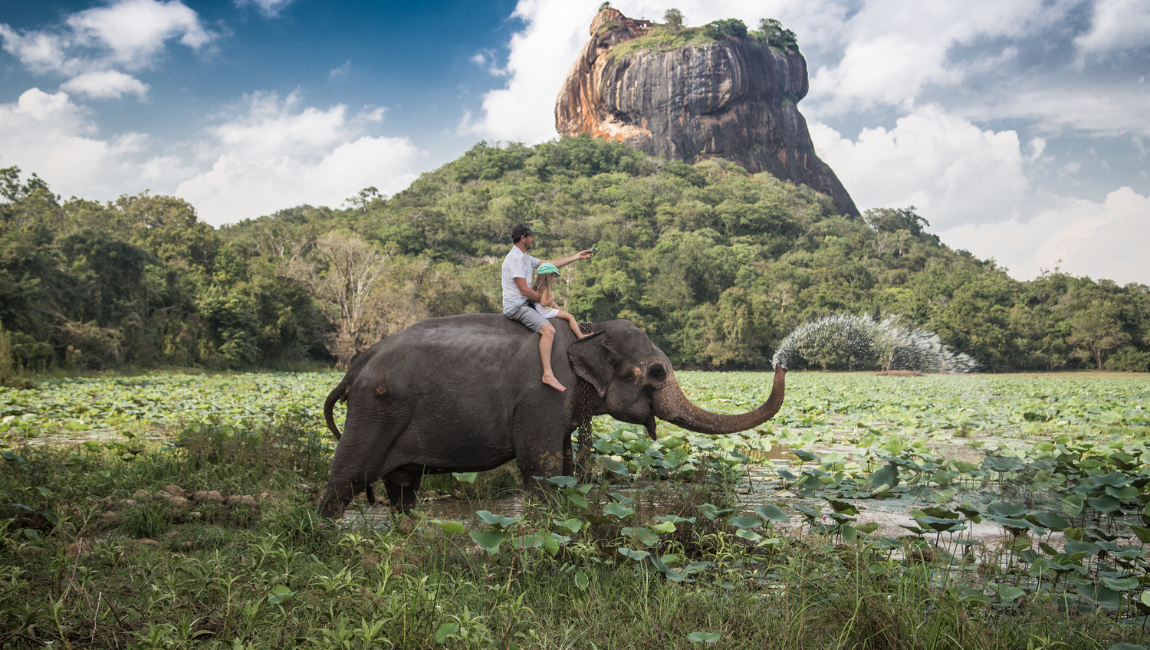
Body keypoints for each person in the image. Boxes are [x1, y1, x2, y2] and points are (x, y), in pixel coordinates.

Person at [501, 223, 593, 391]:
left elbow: (550, 264)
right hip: (517, 306)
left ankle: (579, 333)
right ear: (523, 238)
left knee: (560, 310)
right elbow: (523, 290)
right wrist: (544, 301)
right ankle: (548, 374)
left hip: (527, 302)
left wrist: (577, 257)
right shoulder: (514, 259)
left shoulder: (526, 258)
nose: (533, 240)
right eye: (531, 237)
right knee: (549, 330)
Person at [530, 263, 587, 342]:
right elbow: (543, 303)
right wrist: (551, 299)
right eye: (553, 276)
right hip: (545, 312)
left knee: (560, 311)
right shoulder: (544, 288)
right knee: (570, 317)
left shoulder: (536, 287)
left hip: (541, 311)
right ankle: (580, 336)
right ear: (548, 277)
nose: (554, 279)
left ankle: (576, 326)